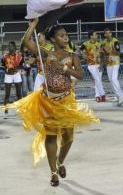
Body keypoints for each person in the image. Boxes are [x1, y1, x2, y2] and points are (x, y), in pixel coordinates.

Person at [5, 19, 99, 187]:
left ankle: (60, 161)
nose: (65, 38)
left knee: (68, 138)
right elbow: (26, 42)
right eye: (61, 36)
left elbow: (80, 75)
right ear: (53, 39)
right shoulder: (46, 53)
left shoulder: (73, 56)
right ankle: (53, 173)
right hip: (48, 101)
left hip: (67, 101)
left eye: (66, 36)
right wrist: (33, 24)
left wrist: (63, 68)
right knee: (51, 137)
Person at [80, 30, 106, 102]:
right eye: (95, 34)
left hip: (99, 64)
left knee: (98, 80)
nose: (96, 35)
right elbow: (80, 50)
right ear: (91, 36)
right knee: (97, 79)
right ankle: (103, 94)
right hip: (91, 65)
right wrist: (84, 55)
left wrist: (102, 64)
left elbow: (102, 54)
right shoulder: (86, 44)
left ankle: (97, 96)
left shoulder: (99, 44)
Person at [101, 29, 123, 106]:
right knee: (111, 80)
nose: (107, 34)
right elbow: (102, 53)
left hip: (115, 61)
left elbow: (119, 52)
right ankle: (117, 96)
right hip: (109, 63)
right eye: (106, 33)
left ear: (111, 34)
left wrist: (111, 50)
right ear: (104, 35)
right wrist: (104, 53)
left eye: (109, 33)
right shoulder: (103, 42)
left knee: (114, 79)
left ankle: (121, 96)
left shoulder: (115, 41)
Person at [1, 41, 23, 113]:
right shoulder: (5, 56)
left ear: (14, 47)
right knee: (7, 94)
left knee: (19, 93)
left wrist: (17, 68)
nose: (9, 47)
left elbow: (22, 65)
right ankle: (5, 109)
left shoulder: (19, 56)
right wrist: (5, 70)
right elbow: (2, 65)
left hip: (16, 74)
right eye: (9, 46)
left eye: (11, 46)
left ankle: (20, 109)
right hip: (8, 75)